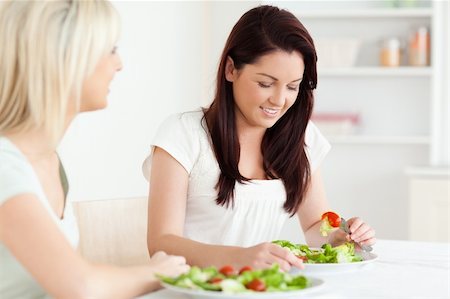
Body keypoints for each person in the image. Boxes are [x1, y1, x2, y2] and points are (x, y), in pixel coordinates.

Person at [143, 5, 376, 272]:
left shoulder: (302, 137)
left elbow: (314, 225)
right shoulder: (183, 135)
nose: (279, 100)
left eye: (292, 87)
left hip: (262, 287)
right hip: (194, 287)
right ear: (231, 69)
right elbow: (161, 243)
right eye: (265, 83)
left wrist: (342, 237)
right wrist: (238, 257)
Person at [0, 1, 189, 298]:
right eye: (111, 49)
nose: (119, 63)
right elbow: (81, 287)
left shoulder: (50, 162)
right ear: (66, 58)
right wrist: (157, 271)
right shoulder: (5, 165)